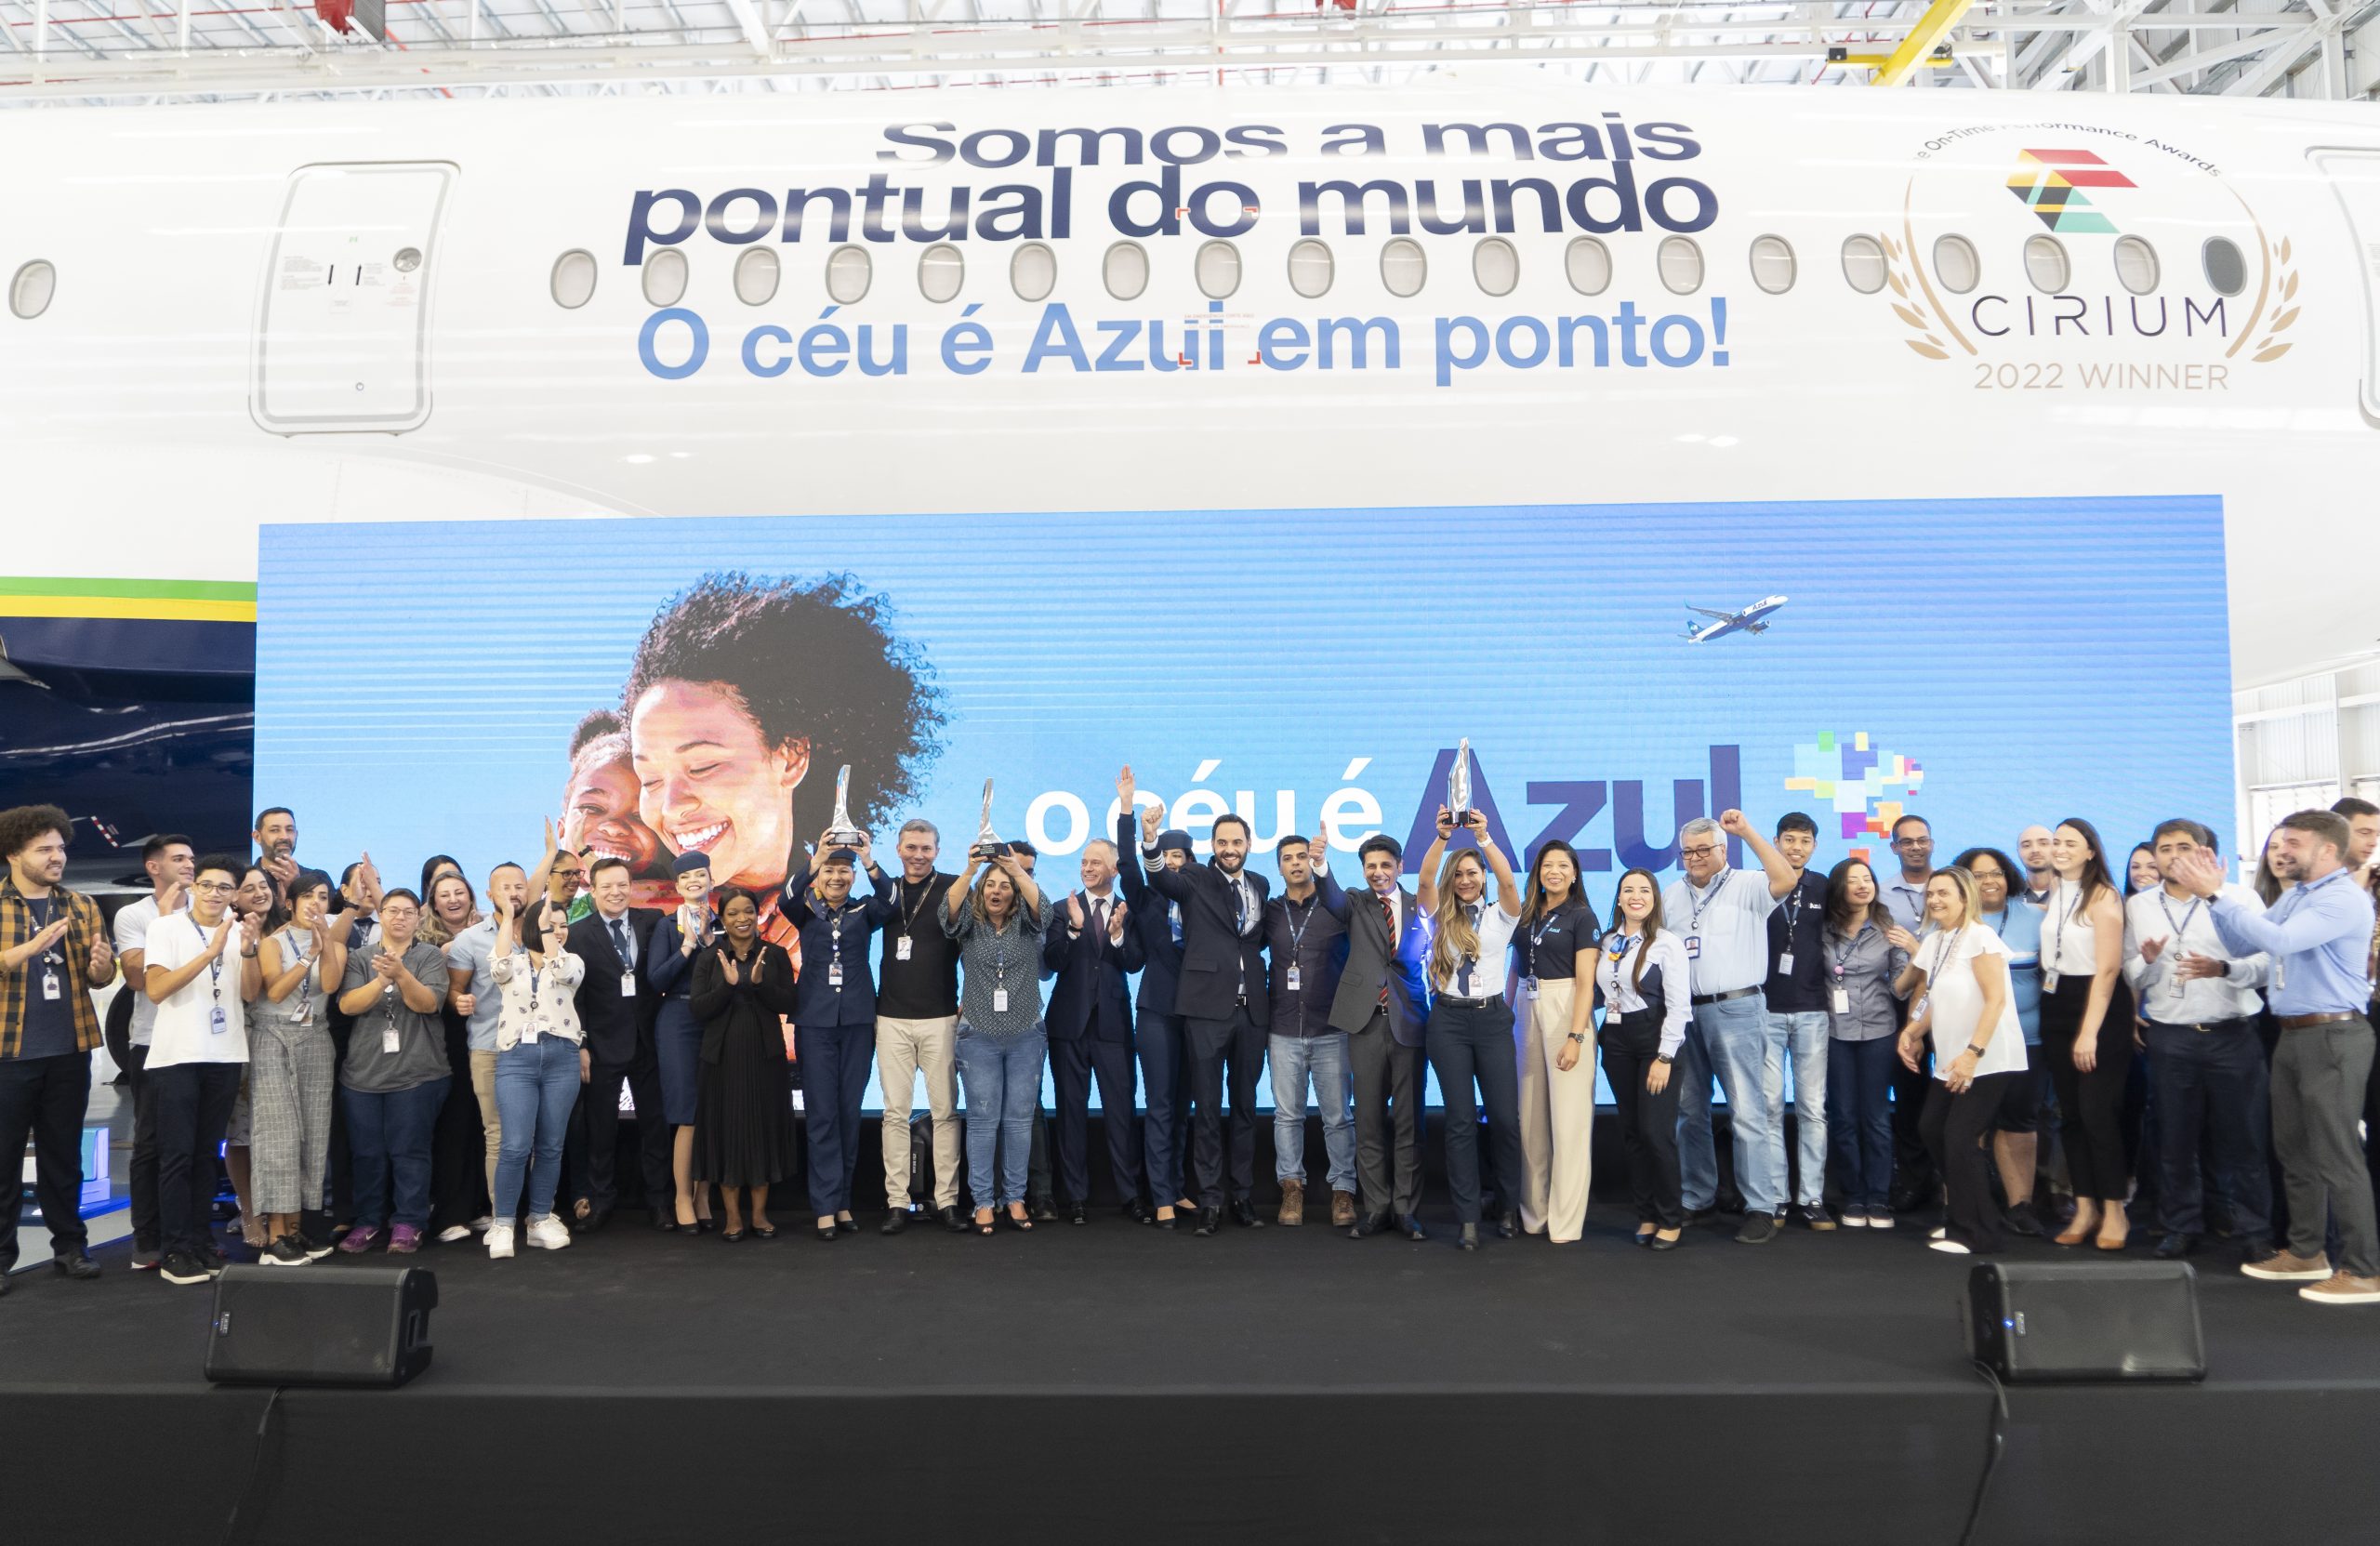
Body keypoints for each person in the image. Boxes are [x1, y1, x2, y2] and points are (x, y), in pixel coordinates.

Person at [622, 572, 945, 948]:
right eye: (650, 780)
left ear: (790, 758)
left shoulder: (826, 909)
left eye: (702, 767)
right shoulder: (627, 902)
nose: (673, 806)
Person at [2169, 812, 2379, 1304]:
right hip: (2294, 1035)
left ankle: (2365, 1269)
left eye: (2294, 843)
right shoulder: (2299, 895)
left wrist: (2214, 894)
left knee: (2337, 1154)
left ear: (2328, 850)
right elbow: (2249, 942)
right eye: (2281, 842)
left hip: (2333, 1035)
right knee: (2295, 1150)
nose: (2283, 851)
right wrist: (2215, 899)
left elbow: (2282, 941)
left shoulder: (2343, 898)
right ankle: (2307, 1252)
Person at [1124, 767, 1272, 1236]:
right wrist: (1149, 841)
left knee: (1245, 1107)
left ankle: (1243, 1197)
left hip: (1252, 1013)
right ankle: (1210, 1201)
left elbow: (1254, 941)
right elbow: (1159, 880)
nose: (1230, 849)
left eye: (1237, 842)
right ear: (1213, 846)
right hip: (1205, 1012)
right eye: (1222, 842)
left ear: (1248, 845)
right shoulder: (1192, 878)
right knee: (1207, 1110)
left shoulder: (1262, 886)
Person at [2123, 819, 2273, 1263]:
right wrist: (2149, 963)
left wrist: (2224, 969)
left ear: (2206, 852)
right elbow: (2132, 973)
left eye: (2184, 846)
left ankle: (2255, 1230)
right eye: (2164, 848)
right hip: (2171, 1036)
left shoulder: (2239, 898)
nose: (2173, 856)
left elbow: (2267, 964)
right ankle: (2179, 1226)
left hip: (2233, 1034)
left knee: (2245, 1140)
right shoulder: (2141, 905)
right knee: (2174, 1139)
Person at [1666, 810, 1801, 1245]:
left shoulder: (1747, 883)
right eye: (1688, 852)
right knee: (1690, 1112)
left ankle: (1760, 1205)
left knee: (1747, 1110)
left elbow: (1787, 881)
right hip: (1684, 1014)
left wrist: (1746, 830)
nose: (1695, 858)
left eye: (1705, 849)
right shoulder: (1670, 895)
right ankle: (1697, 1196)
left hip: (1738, 1009)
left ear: (1723, 849)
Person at [0, 805, 117, 1294]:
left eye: (61, 848)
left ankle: (70, 1246)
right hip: (8, 1055)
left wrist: (101, 965)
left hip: (70, 1050)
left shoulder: (81, 905)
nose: (57, 857)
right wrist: (25, 950)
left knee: (64, 1156)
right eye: (44, 849)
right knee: (4, 1160)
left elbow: (99, 979)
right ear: (13, 854)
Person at [1896, 866, 2027, 1255]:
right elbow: (1940, 996)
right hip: (1951, 1057)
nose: (1934, 900)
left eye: (1943, 894)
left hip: (1986, 1058)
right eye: (1931, 894)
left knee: (1959, 1138)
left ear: (1965, 898)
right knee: (1932, 1128)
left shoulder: (1980, 937)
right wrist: (1914, 1031)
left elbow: (1996, 1000)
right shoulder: (1937, 940)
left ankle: (1979, 1232)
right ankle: (1960, 1220)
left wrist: (1973, 1054)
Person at [142, 852, 258, 1286]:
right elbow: (156, 989)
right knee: (176, 1155)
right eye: (207, 885)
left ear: (235, 894)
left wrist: (245, 950)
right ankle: (174, 1248)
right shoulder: (166, 927)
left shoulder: (240, 932)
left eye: (225, 888)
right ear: (194, 887)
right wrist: (210, 951)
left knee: (208, 1154)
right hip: (176, 1057)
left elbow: (248, 994)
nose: (214, 894)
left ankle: (198, 1240)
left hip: (226, 1054)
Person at [1417, 808, 1526, 1251]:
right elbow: (1425, 880)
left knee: (1503, 1118)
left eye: (1472, 873)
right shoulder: (1437, 913)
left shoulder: (1503, 914)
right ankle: (1466, 1219)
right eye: (1458, 874)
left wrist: (1485, 839)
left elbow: (1510, 881)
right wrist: (1441, 838)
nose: (1466, 880)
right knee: (1460, 1121)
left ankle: (1506, 1206)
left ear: (1482, 875)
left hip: (1493, 1018)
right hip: (1449, 1021)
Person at [1316, 829, 1434, 1241]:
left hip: (1409, 1021)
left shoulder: (1421, 906)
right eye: (1371, 867)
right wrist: (1319, 864)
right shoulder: (1354, 902)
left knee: (1409, 1123)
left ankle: (1406, 1210)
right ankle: (1377, 1208)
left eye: (1386, 865)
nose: (1378, 873)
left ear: (1400, 867)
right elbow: (1328, 895)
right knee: (1367, 1121)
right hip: (1364, 1023)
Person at [784, 834, 897, 1239]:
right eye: (830, 870)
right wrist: (814, 861)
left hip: (856, 1021)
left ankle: (844, 1201)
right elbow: (788, 896)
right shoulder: (805, 909)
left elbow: (892, 900)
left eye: (843, 870)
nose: (836, 876)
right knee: (822, 1115)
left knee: (848, 1113)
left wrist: (869, 861)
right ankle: (824, 1206)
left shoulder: (864, 910)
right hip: (814, 1023)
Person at [331, 888, 452, 1254]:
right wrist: (382, 979)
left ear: (418, 918)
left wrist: (400, 974)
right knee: (367, 1153)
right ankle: (368, 1222)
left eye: (408, 912)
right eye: (392, 911)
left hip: (418, 1073)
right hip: (363, 1075)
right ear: (381, 915)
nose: (399, 917)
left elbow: (428, 1003)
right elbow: (348, 1005)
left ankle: (408, 1223)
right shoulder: (359, 957)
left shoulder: (429, 956)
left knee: (410, 1151)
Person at [1042, 834, 1150, 1225]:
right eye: (1084, 862)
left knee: (1121, 1113)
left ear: (1114, 870)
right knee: (1070, 1113)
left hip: (1113, 1027)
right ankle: (1075, 1198)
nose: (1087, 868)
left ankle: (1131, 1195)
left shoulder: (1129, 909)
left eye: (1095, 863)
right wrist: (1072, 930)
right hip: (1068, 1027)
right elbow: (1052, 963)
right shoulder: (1059, 909)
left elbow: (1136, 962)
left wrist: (1119, 935)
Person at [2039, 817, 2135, 1250]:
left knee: (2098, 1114)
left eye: (2070, 843)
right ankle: (2084, 1208)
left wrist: (2089, 1033)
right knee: (2071, 1115)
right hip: (2055, 1000)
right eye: (2055, 842)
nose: (2059, 849)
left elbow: (2109, 968)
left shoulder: (2104, 896)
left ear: (2091, 851)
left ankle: (2115, 1209)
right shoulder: (2057, 891)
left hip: (2097, 1006)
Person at [944, 844, 1047, 1235]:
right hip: (978, 1036)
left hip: (1025, 1035)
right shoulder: (968, 923)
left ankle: (1015, 1198)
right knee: (984, 1123)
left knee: (1019, 1122)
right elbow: (948, 909)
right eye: (992, 885)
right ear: (982, 890)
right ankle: (984, 1201)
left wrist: (1013, 868)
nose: (998, 891)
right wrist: (971, 869)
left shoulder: (1028, 922)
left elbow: (1045, 908)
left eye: (1005, 885)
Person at [566, 856, 674, 1231]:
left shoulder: (654, 922)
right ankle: (601, 1200)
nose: (616, 892)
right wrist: (580, 1043)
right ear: (592, 890)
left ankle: (660, 1201)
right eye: (607, 886)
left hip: (649, 1042)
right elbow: (574, 994)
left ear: (632, 886)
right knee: (601, 1130)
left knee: (655, 1128)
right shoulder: (577, 934)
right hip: (600, 1046)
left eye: (622, 884)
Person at [870, 818, 967, 1234]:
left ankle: (947, 1201)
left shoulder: (952, 887)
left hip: (942, 1017)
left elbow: (973, 941)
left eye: (926, 848)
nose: (918, 855)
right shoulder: (886, 891)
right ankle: (897, 1202)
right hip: (890, 1017)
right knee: (895, 1114)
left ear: (937, 851)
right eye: (911, 847)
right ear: (898, 849)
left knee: (945, 1112)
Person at [247, 869, 345, 1265]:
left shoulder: (333, 944)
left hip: (316, 1037)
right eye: (308, 897)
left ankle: (296, 1227)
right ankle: (274, 1236)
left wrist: (324, 947)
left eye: (323, 898)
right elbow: (275, 990)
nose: (316, 905)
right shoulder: (272, 942)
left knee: (313, 1135)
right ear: (290, 902)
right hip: (273, 1037)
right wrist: (307, 955)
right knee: (278, 1135)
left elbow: (333, 986)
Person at [690, 890, 799, 1240]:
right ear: (721, 918)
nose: (742, 918)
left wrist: (758, 983)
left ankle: (760, 1215)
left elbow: (788, 1003)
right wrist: (728, 987)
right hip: (720, 1061)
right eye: (733, 913)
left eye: (749, 911)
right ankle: (733, 1218)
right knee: (727, 1136)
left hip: (765, 1058)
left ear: (757, 914)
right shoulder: (709, 958)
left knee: (762, 1133)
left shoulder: (776, 954)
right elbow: (699, 1009)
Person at [484, 897, 588, 1259]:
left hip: (561, 1057)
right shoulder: (511, 962)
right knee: (514, 1145)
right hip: (516, 1058)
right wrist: (510, 916)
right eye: (550, 923)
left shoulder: (572, 960)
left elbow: (562, 971)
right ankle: (503, 1223)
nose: (559, 930)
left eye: (562, 924)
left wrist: (548, 933)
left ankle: (541, 1218)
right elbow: (496, 968)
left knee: (550, 1144)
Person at [1595, 868, 1693, 1249]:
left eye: (1644, 890)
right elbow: (1603, 993)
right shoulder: (1607, 942)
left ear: (1654, 898)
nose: (1636, 896)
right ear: (1618, 898)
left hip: (1656, 1038)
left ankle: (1671, 1216)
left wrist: (1665, 1055)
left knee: (1657, 1133)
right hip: (1616, 1037)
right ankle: (1647, 1214)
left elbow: (1680, 1006)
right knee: (1633, 1133)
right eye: (1628, 890)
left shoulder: (1667, 943)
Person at [1263, 826, 1354, 1228]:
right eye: (1289, 858)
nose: (1296, 863)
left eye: (1302, 857)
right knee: (1287, 1116)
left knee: (1337, 1117)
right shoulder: (1269, 912)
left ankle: (1342, 1192)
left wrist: (1323, 865)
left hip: (1330, 1028)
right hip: (1282, 1029)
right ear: (1280, 867)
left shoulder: (1336, 906)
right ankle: (1292, 1188)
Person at [1116, 799, 1200, 1229]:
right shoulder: (1144, 897)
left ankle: (1178, 1186)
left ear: (1189, 862)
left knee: (1184, 1104)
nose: (1171, 862)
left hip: (1199, 1013)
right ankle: (1161, 1195)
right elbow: (1129, 864)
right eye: (1165, 856)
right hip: (1155, 1011)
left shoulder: (1199, 899)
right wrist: (1129, 815)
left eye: (1178, 856)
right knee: (1161, 1104)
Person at [1511, 838, 1600, 1244]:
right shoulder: (1526, 915)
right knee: (1530, 1119)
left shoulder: (1582, 916)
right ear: (1538, 872)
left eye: (1563, 865)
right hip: (1526, 1007)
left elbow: (1586, 982)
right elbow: (1515, 967)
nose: (1555, 872)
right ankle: (1534, 1214)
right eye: (1548, 865)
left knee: (1569, 1122)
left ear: (1575, 873)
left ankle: (1565, 1223)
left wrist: (1576, 1036)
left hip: (1567, 1007)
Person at [443, 861, 538, 1239]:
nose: (513, 893)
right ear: (489, 895)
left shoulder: (541, 929)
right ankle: (503, 1216)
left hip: (539, 1047)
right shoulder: (469, 940)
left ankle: (538, 1212)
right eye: (505, 888)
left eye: (519, 886)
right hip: (490, 1047)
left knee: (535, 1135)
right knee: (498, 1134)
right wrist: (458, 1002)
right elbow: (454, 991)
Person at [1957, 847, 2048, 1236]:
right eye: (1978, 875)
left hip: (2027, 1040)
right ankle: (1969, 1204)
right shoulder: (1952, 920)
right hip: (1967, 1043)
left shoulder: (2035, 918)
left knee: (2019, 1122)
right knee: (1967, 1125)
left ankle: (2020, 1206)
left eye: (1996, 873)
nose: (1989, 881)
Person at [112, 831, 192, 1268]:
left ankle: (190, 1234)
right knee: (151, 1144)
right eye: (179, 858)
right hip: (153, 1042)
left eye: (191, 858)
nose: (189, 865)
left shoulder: (209, 912)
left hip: (204, 1044)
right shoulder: (134, 915)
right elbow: (139, 979)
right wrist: (165, 921)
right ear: (153, 867)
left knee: (195, 1147)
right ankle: (146, 1238)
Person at [1821, 857, 1914, 1228]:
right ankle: (1853, 1197)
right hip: (1834, 1033)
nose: (1863, 885)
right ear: (1839, 888)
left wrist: (1915, 954)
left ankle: (1879, 1198)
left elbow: (1900, 988)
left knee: (1875, 1116)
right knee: (1843, 1115)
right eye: (1853, 880)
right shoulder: (1823, 930)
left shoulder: (1888, 929)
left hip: (1878, 1030)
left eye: (1868, 879)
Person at [1763, 812, 1834, 1230]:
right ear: (1775, 842)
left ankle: (1811, 1198)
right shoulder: (1760, 884)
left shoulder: (1825, 887)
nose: (1796, 848)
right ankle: (1775, 1199)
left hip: (1813, 1011)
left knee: (1812, 1109)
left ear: (1814, 846)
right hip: (1766, 1009)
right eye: (1788, 840)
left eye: (1804, 841)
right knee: (1770, 1107)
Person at [647, 851, 719, 1232]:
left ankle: (704, 1195)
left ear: (711, 878)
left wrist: (709, 939)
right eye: (687, 877)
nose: (695, 881)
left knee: (710, 1111)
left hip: (714, 1020)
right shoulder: (665, 926)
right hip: (676, 1019)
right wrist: (689, 945)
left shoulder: (721, 921)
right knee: (686, 1113)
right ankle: (681, 1197)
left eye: (701, 875)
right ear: (677, 885)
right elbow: (657, 979)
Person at [253, 807, 300, 901]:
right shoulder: (242, 879)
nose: (284, 837)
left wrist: (298, 885)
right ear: (257, 837)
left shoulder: (318, 879)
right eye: (274, 830)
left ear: (296, 835)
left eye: (289, 830)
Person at [2017, 825, 2056, 907]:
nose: (2035, 850)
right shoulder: (2009, 898)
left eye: (2043, 843)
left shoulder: (2076, 894)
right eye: (2026, 845)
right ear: (2018, 852)